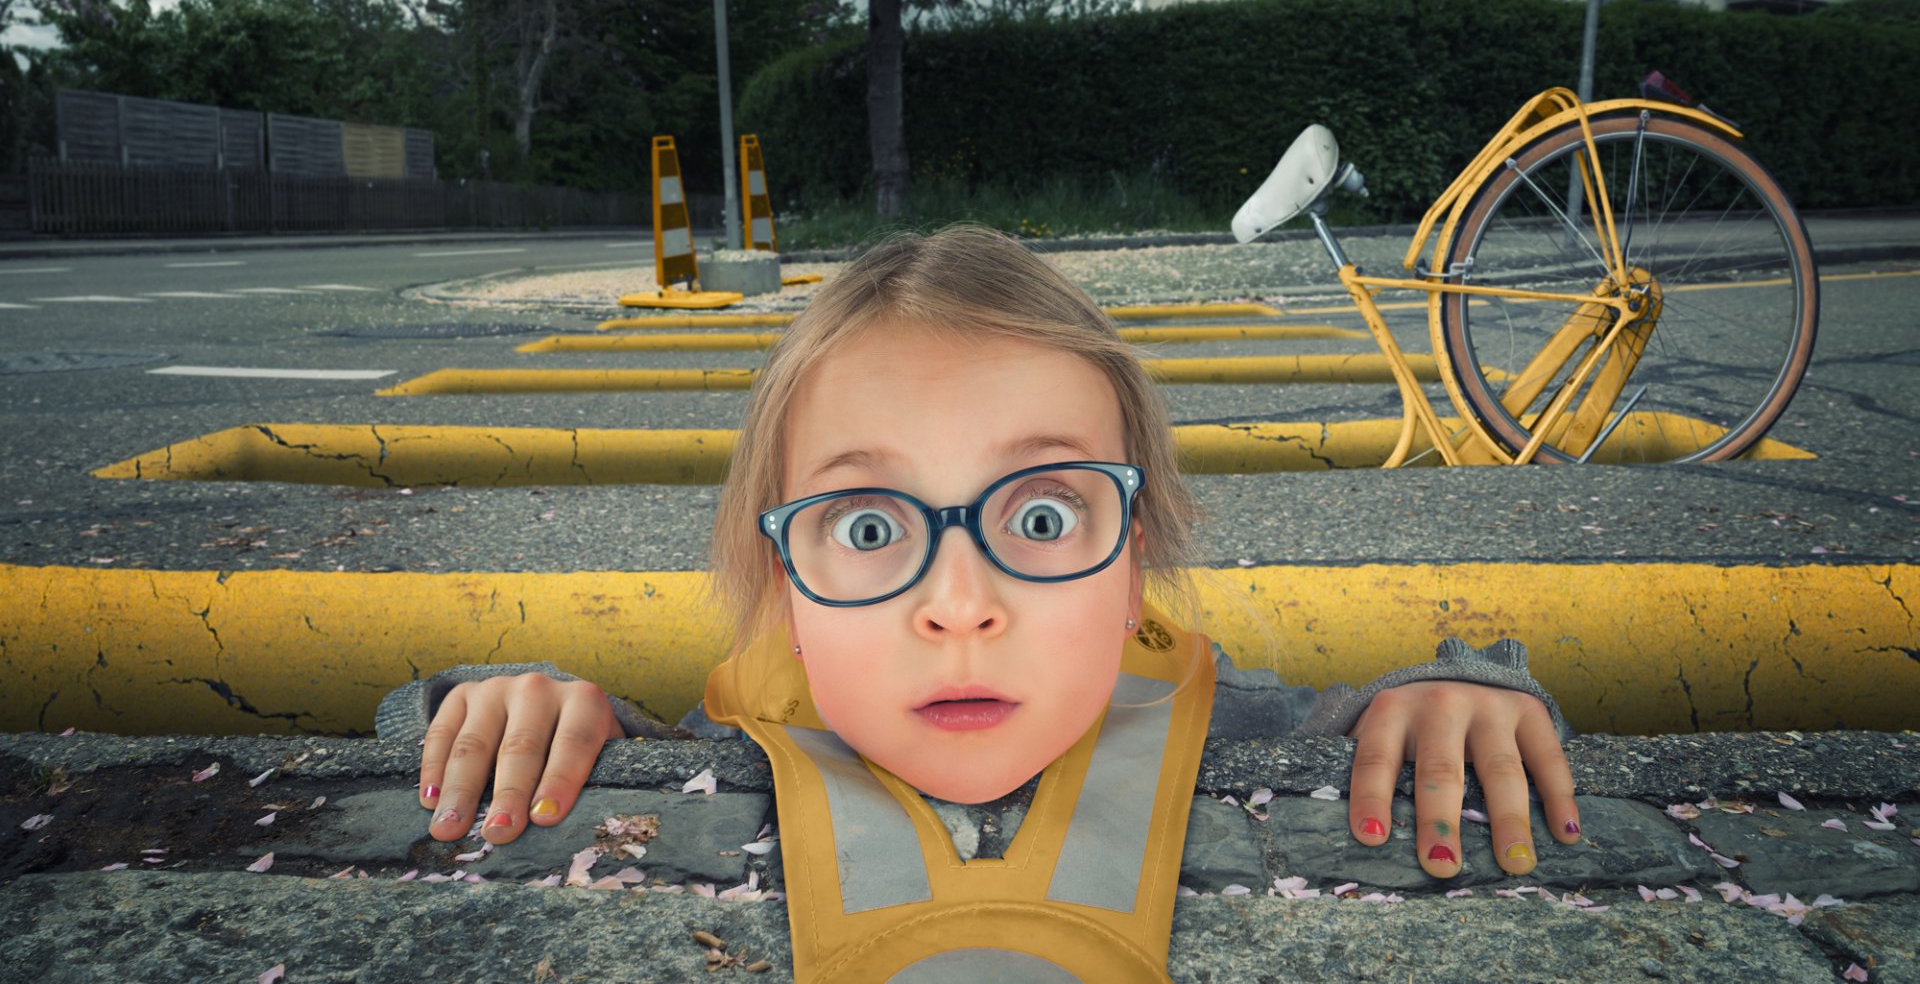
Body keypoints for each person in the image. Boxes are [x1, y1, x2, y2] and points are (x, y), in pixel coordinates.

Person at [378, 224, 1580, 980]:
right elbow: (404, 728)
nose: (959, 604)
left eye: (1043, 519)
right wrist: (505, 703)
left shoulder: (1224, 724)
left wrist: (1463, 689)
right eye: (865, 526)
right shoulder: (733, 739)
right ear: (786, 587)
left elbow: (1367, 719)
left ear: (1133, 563)